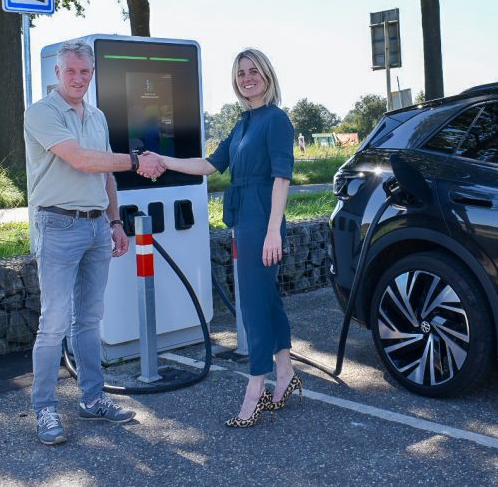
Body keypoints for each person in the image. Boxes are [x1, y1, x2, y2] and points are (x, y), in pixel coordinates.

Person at [143, 48, 302, 427]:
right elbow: (211, 164)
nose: (247, 78)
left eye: (253, 71)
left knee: (253, 304)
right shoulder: (243, 123)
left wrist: (271, 232)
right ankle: (285, 375)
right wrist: (166, 162)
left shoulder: (276, 120)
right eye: (240, 73)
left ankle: (254, 389)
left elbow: (282, 176)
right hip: (244, 217)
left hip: (262, 219)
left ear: (267, 74)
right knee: (267, 300)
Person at [24, 40, 165, 446]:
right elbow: (82, 160)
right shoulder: (42, 112)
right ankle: (45, 408)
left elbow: (105, 175)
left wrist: (116, 222)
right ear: (57, 72)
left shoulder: (98, 116)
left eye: (85, 72)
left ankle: (92, 399)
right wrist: (138, 160)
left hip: (96, 228)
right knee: (53, 323)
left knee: (89, 319)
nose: (79, 78)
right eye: (71, 71)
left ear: (93, 74)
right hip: (58, 226)